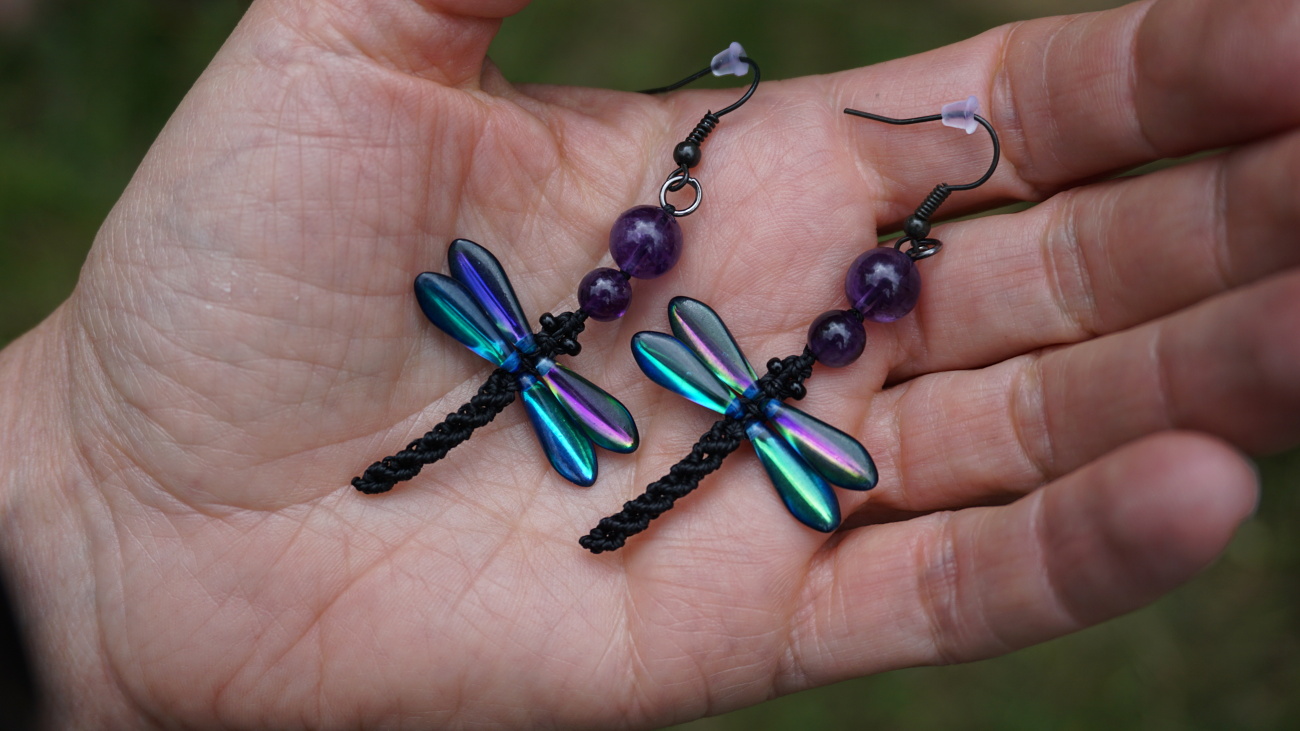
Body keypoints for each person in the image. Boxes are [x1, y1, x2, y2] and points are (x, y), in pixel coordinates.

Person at [0, 0, 1295, 726]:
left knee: (626, 420)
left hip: (656, 384)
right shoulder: (675, 341)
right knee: (617, 408)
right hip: (636, 377)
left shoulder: (707, 353)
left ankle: (568, 496)